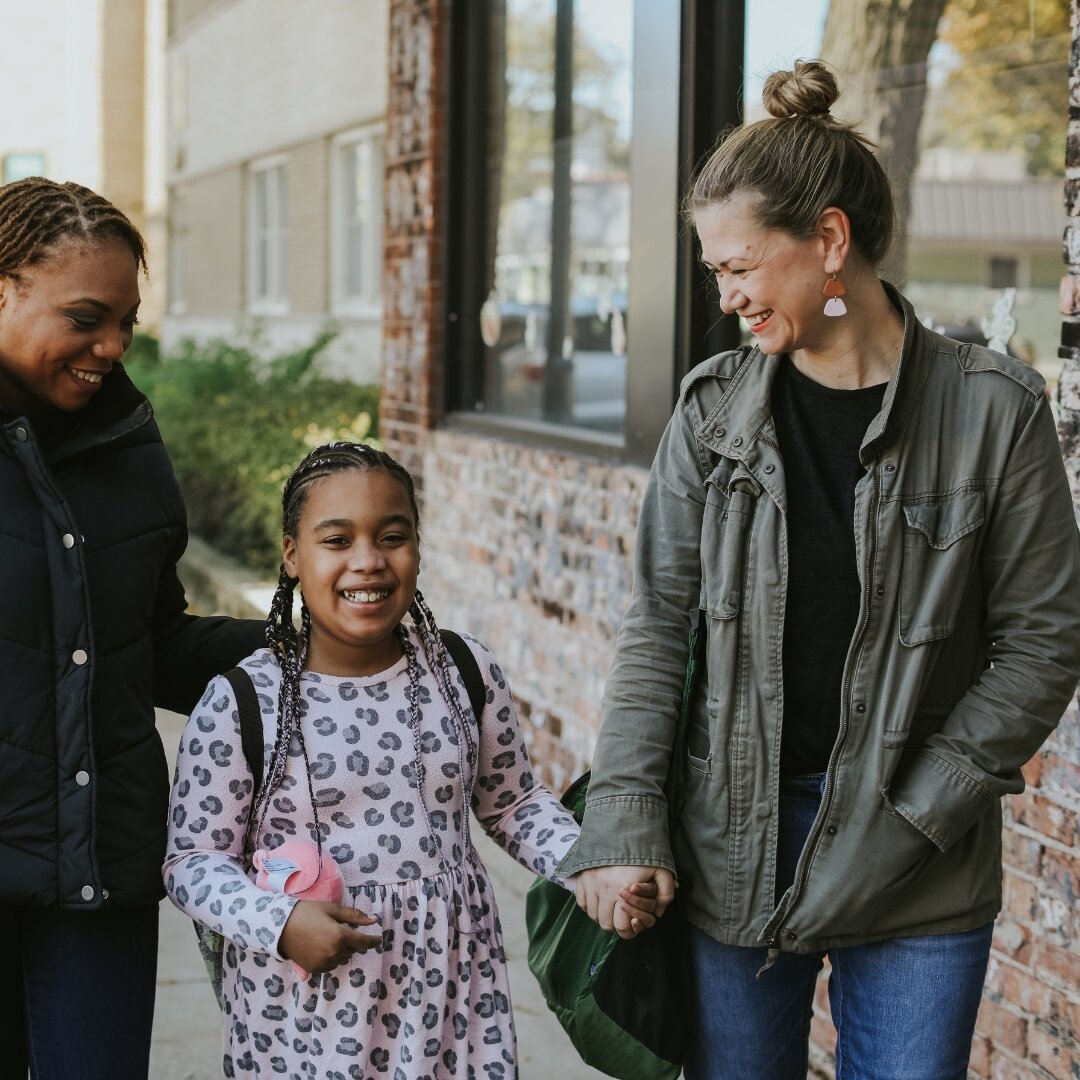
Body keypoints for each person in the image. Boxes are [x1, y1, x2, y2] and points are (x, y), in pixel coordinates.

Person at [561, 60, 1080, 1080]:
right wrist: (622, 821)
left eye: (740, 267)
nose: (726, 299)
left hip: (915, 858)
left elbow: (1042, 642)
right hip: (731, 841)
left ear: (830, 242)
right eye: (714, 272)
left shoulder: (994, 413)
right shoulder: (712, 415)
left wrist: (912, 814)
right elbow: (660, 623)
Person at [163, 441, 656, 1078]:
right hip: (304, 1016)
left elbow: (513, 804)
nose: (367, 562)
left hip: (451, 992)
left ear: (417, 544)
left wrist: (590, 869)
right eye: (336, 541)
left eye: (392, 536)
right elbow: (192, 862)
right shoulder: (241, 702)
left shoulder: (463, 672)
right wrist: (279, 921)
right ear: (292, 554)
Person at [0, 177, 264, 1078]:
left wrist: (312, 647)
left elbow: (150, 645)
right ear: (5, 289)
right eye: (86, 318)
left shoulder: (126, 441)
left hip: (99, 867)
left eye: (126, 323)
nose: (110, 347)